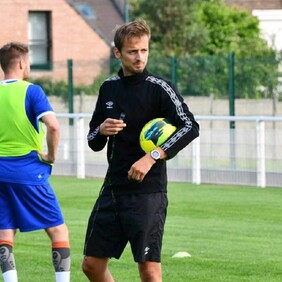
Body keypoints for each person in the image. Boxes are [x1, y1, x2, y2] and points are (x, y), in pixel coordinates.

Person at [82, 19, 199, 282]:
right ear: (118, 53)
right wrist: (101, 130)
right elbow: (92, 140)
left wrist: (153, 156)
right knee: (91, 265)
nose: (139, 57)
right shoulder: (108, 88)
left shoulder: (160, 88)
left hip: (148, 192)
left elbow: (190, 126)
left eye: (144, 50)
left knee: (148, 270)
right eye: (133, 51)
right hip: (113, 189)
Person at [0, 42, 70, 282]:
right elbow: (53, 126)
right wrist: (50, 156)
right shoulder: (32, 91)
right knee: (58, 229)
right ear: (21, 63)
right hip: (27, 171)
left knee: (5, 231)